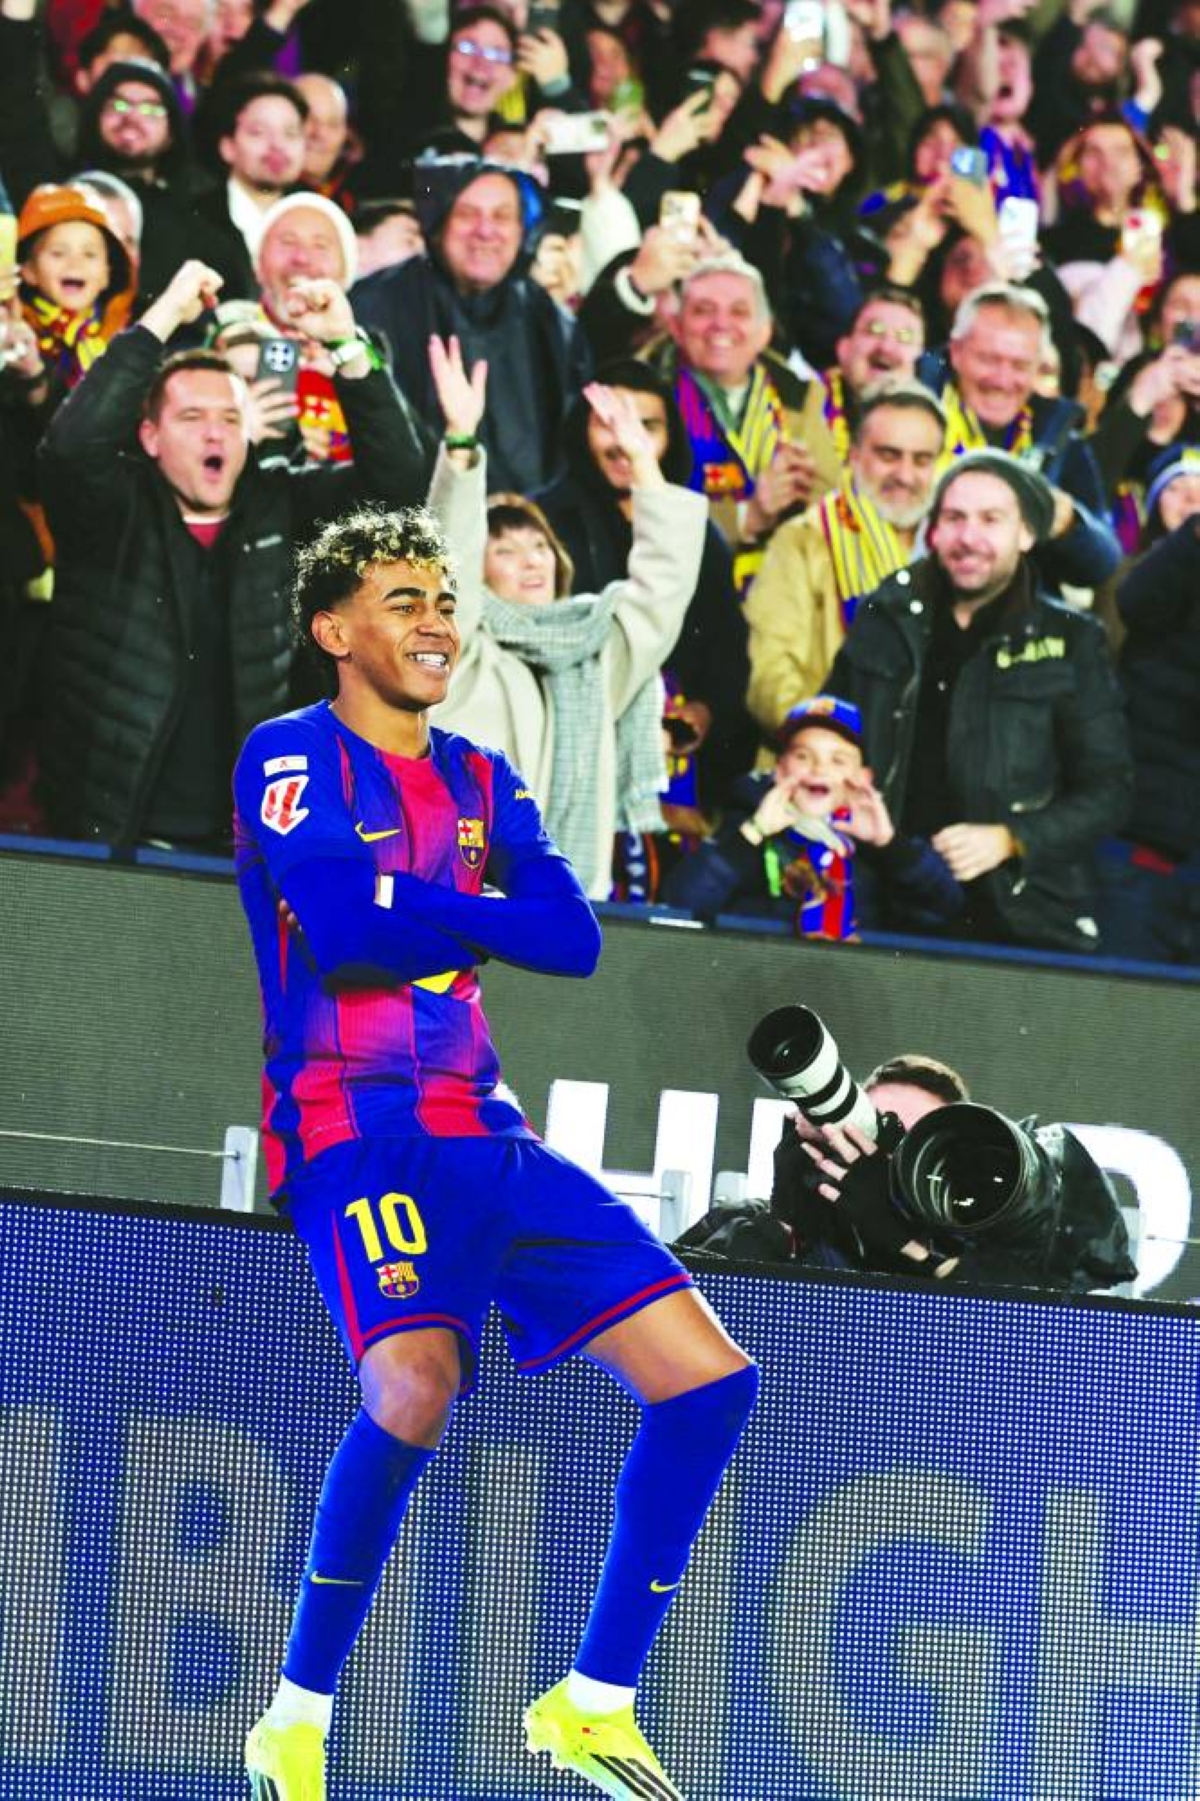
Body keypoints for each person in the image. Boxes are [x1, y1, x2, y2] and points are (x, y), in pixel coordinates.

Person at [232, 441, 758, 1801]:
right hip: (353, 1125)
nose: (436, 622)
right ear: (334, 629)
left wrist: (410, 904)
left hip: (486, 1128)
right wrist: (469, 916)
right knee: (414, 1384)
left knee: (713, 1381)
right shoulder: (287, 753)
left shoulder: (480, 775)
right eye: (403, 600)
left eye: (446, 602)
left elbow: (573, 936)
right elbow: (340, 931)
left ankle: (592, 1702)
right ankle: (295, 1716)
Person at [37, 255, 430, 846]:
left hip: (243, 839)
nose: (214, 431)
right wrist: (166, 315)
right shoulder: (110, 508)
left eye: (229, 417)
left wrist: (347, 346)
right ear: (149, 437)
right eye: (192, 417)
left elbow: (396, 484)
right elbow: (70, 447)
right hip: (111, 832)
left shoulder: (282, 505)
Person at [425, 338, 707, 899]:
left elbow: (663, 589)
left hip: (567, 902)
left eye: (539, 546)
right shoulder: (461, 652)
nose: (531, 560)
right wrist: (460, 442)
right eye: (506, 551)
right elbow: (446, 566)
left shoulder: (596, 653)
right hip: (464, 897)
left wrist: (643, 464)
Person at [825, 448, 1133, 954]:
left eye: (991, 519)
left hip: (1016, 916)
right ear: (933, 531)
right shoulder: (884, 614)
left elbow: (1110, 791)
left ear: (1026, 534)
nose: (969, 537)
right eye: (954, 518)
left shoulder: (1073, 640)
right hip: (880, 901)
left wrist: (1012, 838)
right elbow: (831, 734)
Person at [769, 1051, 1136, 1290]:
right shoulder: (802, 1231)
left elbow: (1028, 1330)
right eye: (878, 1133)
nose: (889, 1158)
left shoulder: (1009, 1261)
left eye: (913, 1141)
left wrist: (911, 1248)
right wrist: (789, 1218)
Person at [351, 153, 592, 494]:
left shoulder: (553, 323)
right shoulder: (372, 305)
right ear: (439, 225)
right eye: (467, 214)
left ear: (523, 229)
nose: (485, 231)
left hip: (530, 522)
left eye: (502, 216)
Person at [663, 693, 963, 938]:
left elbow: (944, 907)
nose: (819, 769)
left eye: (838, 760)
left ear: (863, 778)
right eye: (803, 756)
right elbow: (681, 901)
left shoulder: (875, 845)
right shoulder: (746, 828)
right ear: (779, 770)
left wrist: (890, 845)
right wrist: (753, 832)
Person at [744, 383, 946, 738]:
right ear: (854, 456)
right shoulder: (805, 539)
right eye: (888, 455)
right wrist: (834, 744)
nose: (905, 475)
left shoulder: (954, 547)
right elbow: (769, 679)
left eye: (921, 460)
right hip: (832, 751)